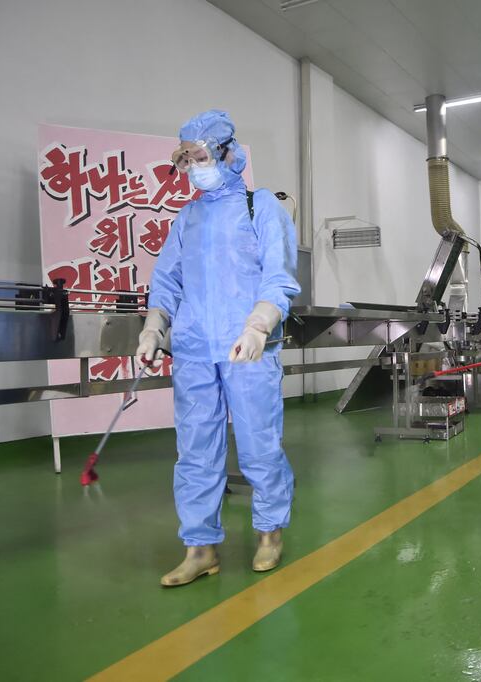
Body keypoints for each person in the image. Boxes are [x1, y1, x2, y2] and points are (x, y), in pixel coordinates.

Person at [136, 110, 300, 587]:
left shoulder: (260, 206)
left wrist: (257, 326)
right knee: (195, 454)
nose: (195, 167)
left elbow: (279, 276)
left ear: (228, 153)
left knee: (258, 445)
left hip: (247, 348)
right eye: (187, 159)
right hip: (192, 351)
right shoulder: (186, 218)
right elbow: (166, 281)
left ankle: (269, 532)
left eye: (202, 156)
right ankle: (199, 547)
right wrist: (153, 329)